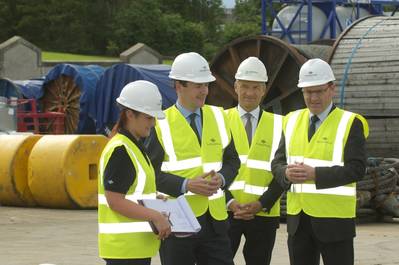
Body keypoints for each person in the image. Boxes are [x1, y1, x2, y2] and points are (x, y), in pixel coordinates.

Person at [271, 58, 369, 265]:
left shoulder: (350, 122)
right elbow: (277, 163)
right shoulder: (290, 120)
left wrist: (315, 174)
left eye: (319, 91)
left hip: (335, 222)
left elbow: (357, 169)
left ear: (332, 89)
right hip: (298, 222)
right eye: (308, 92)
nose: (313, 98)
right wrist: (285, 174)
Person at [146, 52, 240, 265]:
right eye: (198, 85)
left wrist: (222, 179)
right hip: (177, 223)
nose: (204, 91)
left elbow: (233, 161)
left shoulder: (219, 116)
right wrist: (187, 185)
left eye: (206, 85)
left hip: (216, 222)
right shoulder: (159, 124)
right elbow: (151, 174)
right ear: (179, 86)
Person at [98, 80, 172, 265]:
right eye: (148, 117)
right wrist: (155, 215)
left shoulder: (133, 146)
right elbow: (115, 201)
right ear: (130, 114)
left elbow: (130, 191)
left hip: (133, 249)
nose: (153, 123)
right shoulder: (121, 150)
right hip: (125, 251)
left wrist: (153, 197)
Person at [225, 57, 285, 265]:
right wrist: (230, 202)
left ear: (264, 90)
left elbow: (283, 172)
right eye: (244, 86)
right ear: (235, 87)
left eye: (255, 87)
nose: (249, 93)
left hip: (264, 213)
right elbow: (211, 167)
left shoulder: (280, 124)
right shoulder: (219, 121)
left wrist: (262, 203)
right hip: (226, 211)